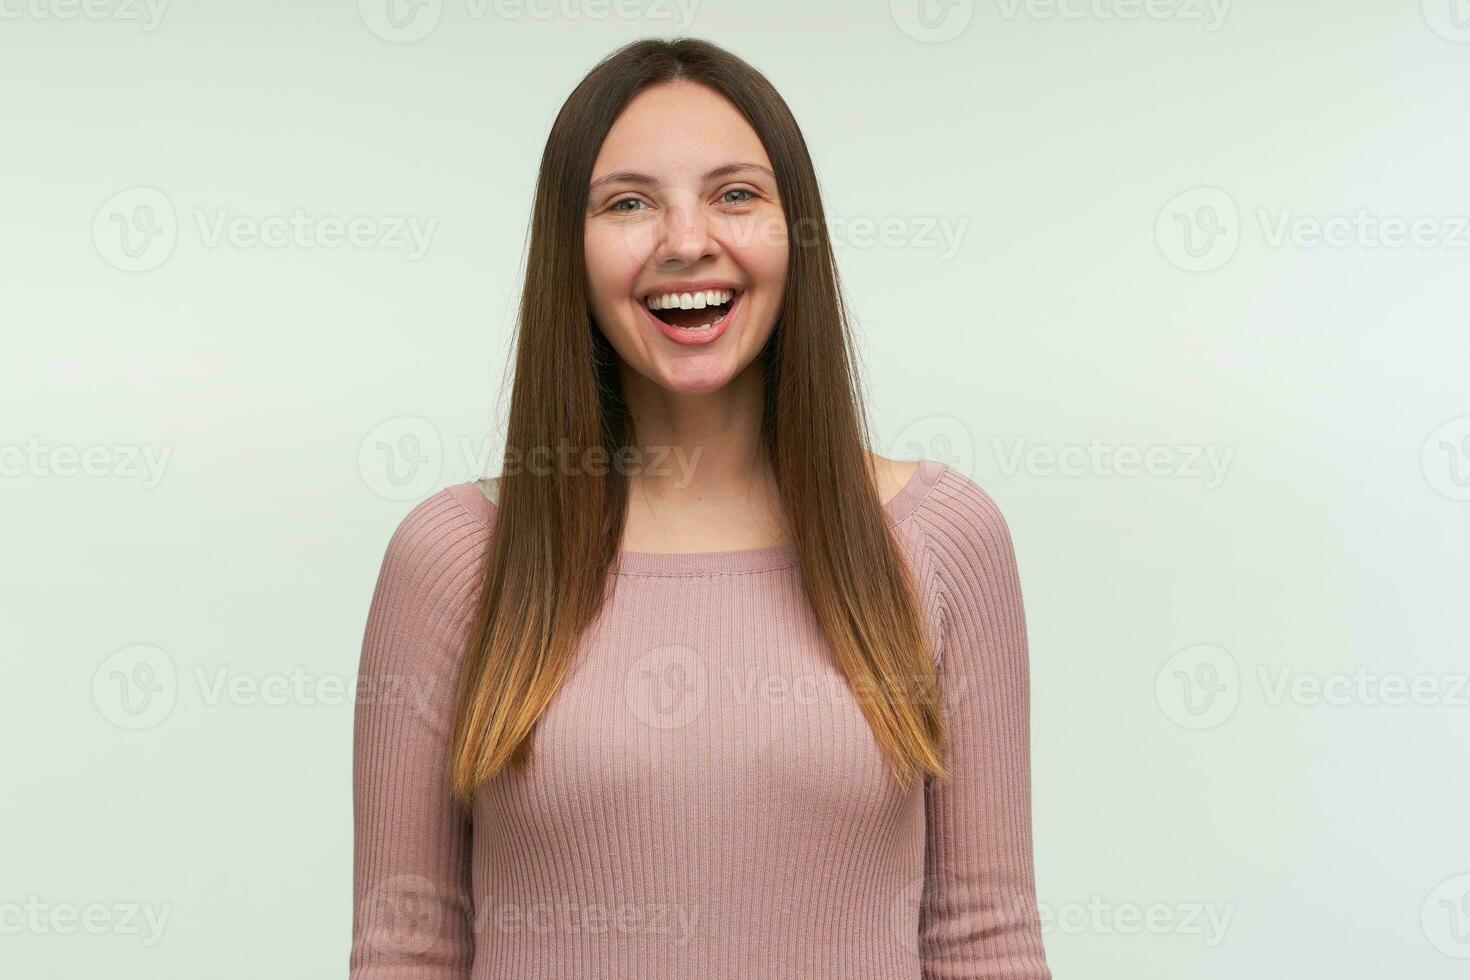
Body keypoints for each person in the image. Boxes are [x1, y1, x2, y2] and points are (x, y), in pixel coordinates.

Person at [350, 36, 1051, 980]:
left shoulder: (939, 538)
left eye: (735, 194)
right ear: (572, 247)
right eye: (629, 202)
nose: (687, 241)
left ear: (794, 232)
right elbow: (407, 949)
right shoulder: (453, 557)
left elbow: (985, 939)